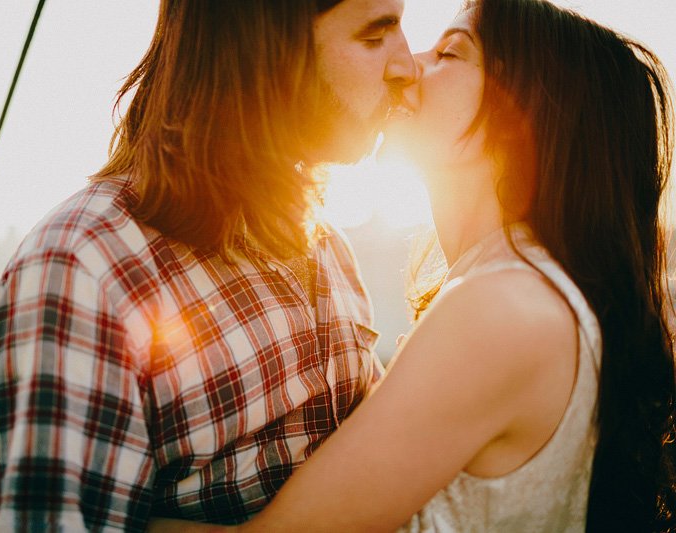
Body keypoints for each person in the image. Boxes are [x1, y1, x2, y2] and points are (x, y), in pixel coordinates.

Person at [150, 0, 676, 531]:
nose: (406, 66)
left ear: (525, 115)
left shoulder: (501, 308)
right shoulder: (515, 289)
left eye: (449, 53)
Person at [0, 0, 416, 530]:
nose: (406, 65)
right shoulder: (83, 271)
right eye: (374, 37)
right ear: (267, 45)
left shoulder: (324, 244)